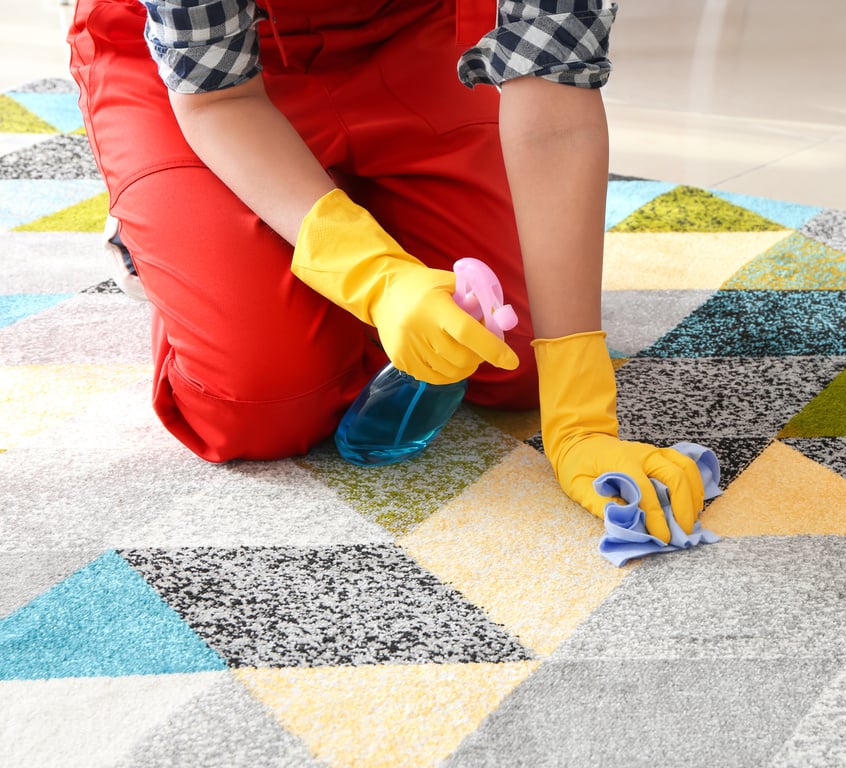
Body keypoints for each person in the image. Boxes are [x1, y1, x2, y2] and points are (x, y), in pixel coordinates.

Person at [67, 0, 704, 544]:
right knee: (263, 404)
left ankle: (331, 207)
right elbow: (218, 98)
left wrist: (581, 416)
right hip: (205, 83)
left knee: (508, 356)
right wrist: (378, 280)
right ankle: (154, 231)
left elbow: (556, 102)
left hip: (404, 36)